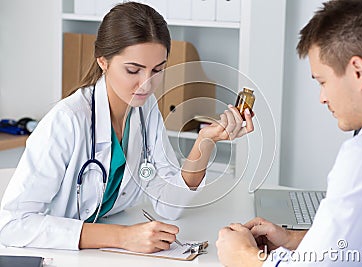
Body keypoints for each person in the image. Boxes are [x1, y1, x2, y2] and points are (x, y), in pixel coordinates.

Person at [0, 2, 254, 253]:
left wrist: (205, 142)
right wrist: (122, 237)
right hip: (52, 252)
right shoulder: (67, 121)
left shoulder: (144, 109)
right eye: (134, 70)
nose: (146, 84)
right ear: (103, 62)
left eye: (157, 70)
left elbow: (169, 205)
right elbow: (12, 225)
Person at [216, 0, 362, 266]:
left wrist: (244, 257)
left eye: (323, 82)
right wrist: (295, 240)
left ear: (359, 72)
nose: (322, 98)